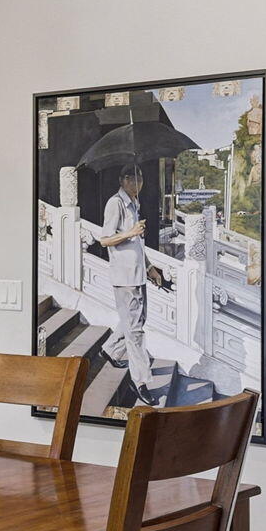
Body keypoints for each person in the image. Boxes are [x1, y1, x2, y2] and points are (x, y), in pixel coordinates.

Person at [96, 164, 158, 404]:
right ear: (122, 180)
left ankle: (110, 349)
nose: (137, 183)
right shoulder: (116, 203)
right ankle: (140, 380)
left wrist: (151, 267)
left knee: (137, 321)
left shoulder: (135, 202)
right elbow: (105, 240)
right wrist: (130, 231)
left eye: (140, 178)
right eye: (132, 178)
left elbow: (138, 245)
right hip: (124, 277)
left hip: (139, 273)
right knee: (135, 331)